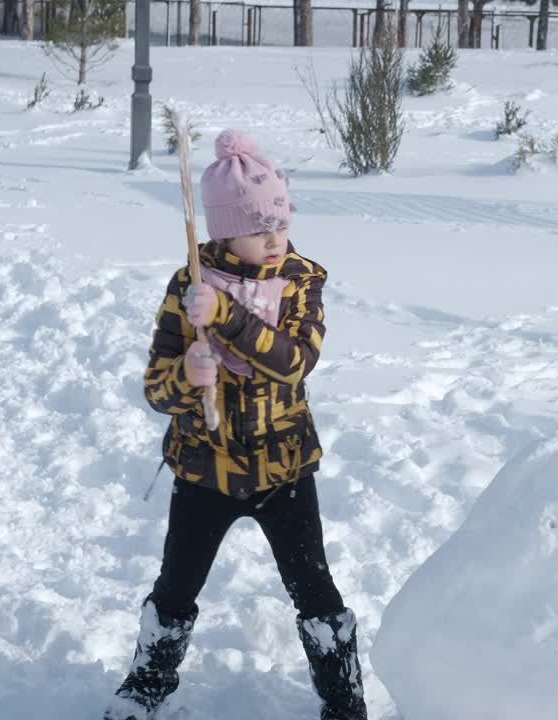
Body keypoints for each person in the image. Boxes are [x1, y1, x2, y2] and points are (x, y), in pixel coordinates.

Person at [103, 129, 367, 720]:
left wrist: (224, 317)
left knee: (315, 592)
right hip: (203, 469)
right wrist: (187, 376)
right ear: (222, 231)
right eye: (258, 227)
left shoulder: (301, 279)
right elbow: (156, 389)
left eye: (279, 221)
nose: (275, 237)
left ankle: (345, 702)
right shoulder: (187, 287)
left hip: (283, 470)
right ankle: (146, 688)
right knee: (175, 588)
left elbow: (295, 362)